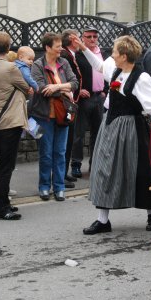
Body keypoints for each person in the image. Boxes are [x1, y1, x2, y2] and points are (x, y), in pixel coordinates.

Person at [73, 34, 151, 234]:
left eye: (114, 52)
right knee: (105, 169)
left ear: (123, 55)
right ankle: (103, 220)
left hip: (132, 128)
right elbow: (98, 66)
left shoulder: (141, 77)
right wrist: (83, 48)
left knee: (140, 171)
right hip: (110, 125)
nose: (111, 55)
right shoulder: (115, 70)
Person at [0, 32, 30, 220]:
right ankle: (0, 209)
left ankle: (4, 203)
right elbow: (27, 88)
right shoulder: (11, 68)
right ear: (9, 49)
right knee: (5, 167)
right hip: (9, 123)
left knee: (2, 164)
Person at [29, 32, 78, 202]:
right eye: (57, 47)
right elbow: (41, 89)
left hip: (63, 116)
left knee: (60, 152)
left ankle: (59, 187)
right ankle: (44, 187)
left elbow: (75, 83)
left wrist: (58, 87)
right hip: (44, 116)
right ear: (47, 47)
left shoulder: (64, 63)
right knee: (46, 153)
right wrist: (64, 90)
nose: (61, 49)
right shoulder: (37, 65)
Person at [70, 26, 106, 178]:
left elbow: (109, 72)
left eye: (94, 37)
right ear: (82, 38)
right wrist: (79, 91)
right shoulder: (78, 55)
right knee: (78, 134)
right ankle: (76, 165)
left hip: (99, 97)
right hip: (85, 99)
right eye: (89, 36)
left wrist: (106, 90)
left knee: (97, 134)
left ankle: (94, 164)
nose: (92, 39)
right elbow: (72, 76)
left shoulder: (102, 53)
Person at [60, 29, 83, 188]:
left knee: (68, 140)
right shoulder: (65, 55)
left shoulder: (71, 55)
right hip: (66, 103)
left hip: (72, 101)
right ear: (72, 39)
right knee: (65, 141)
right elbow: (66, 79)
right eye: (79, 38)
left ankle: (63, 172)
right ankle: (60, 174)